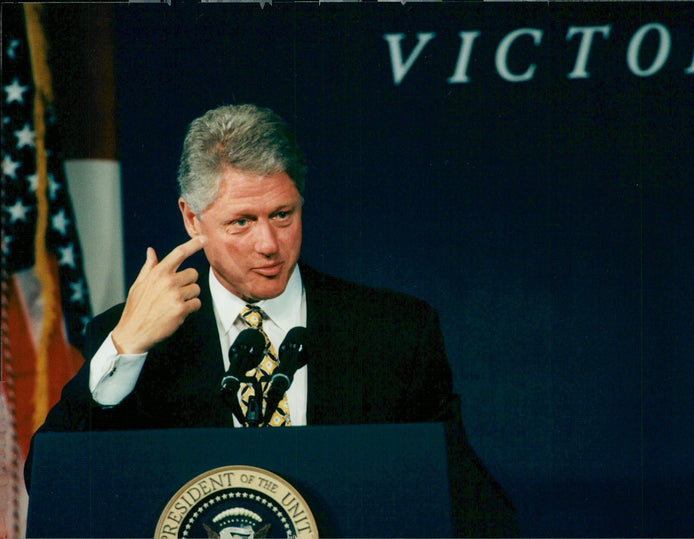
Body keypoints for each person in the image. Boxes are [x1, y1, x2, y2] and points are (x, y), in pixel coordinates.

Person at [26, 104, 517, 536]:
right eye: (241, 221)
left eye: (282, 215)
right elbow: (50, 481)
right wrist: (125, 347)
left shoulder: (396, 332)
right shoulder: (130, 339)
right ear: (192, 220)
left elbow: (464, 499)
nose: (269, 244)